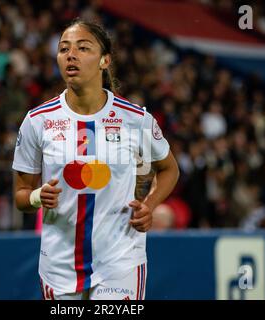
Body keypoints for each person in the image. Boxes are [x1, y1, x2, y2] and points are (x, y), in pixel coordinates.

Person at [12, 18, 179, 300]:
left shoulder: (135, 119)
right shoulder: (37, 121)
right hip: (59, 265)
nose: (71, 55)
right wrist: (39, 196)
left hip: (121, 259)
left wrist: (149, 205)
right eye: (64, 49)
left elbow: (168, 169)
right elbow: (20, 195)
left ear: (104, 60)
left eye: (83, 48)